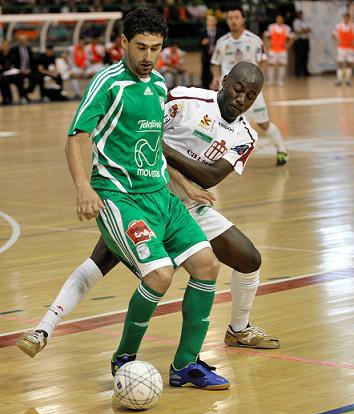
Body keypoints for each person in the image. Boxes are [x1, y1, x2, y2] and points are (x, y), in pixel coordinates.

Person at [17, 8, 229, 391]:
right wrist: (84, 187)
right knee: (160, 274)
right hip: (120, 198)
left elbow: (153, 144)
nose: (149, 56)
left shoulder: (160, 85)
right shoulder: (108, 83)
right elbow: (76, 137)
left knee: (207, 265)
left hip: (161, 197)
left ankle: (185, 366)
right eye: (142, 47)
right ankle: (125, 356)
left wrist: (181, 183)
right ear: (123, 44)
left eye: (156, 48)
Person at [17, 62, 280, 366]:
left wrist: (165, 151)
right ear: (224, 81)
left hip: (191, 206)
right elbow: (141, 132)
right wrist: (166, 163)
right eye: (238, 89)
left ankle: (238, 329)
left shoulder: (246, 135)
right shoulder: (184, 100)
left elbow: (209, 178)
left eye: (251, 95)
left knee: (249, 259)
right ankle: (43, 329)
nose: (242, 99)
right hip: (145, 194)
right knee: (100, 261)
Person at [210, 7, 288, 166]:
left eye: (236, 17)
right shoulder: (222, 42)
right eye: (230, 17)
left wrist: (259, 80)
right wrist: (216, 77)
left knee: (263, 123)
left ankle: (281, 150)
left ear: (243, 19)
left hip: (251, 93)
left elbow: (263, 61)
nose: (233, 20)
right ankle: (213, 156)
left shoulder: (254, 40)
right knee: (220, 122)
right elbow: (215, 63)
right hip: (229, 92)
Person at [263, 15, 294, 86]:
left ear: (282, 19)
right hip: (273, 49)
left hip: (282, 50)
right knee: (271, 65)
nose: (279, 19)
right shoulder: (271, 27)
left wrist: (288, 45)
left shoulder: (286, 28)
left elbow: (292, 37)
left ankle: (280, 81)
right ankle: (270, 81)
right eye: (278, 18)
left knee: (282, 65)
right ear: (276, 19)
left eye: (280, 18)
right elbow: (266, 36)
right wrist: (267, 45)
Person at [9, 34, 36, 102]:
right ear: (18, 41)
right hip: (18, 71)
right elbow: (13, 62)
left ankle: (25, 93)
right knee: (19, 79)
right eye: (21, 40)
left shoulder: (29, 49)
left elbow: (33, 61)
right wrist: (20, 70)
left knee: (37, 78)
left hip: (28, 70)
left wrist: (30, 69)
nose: (23, 42)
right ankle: (23, 97)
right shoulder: (14, 50)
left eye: (24, 40)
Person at [0, 39, 28, 104]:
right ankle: (7, 98)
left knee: (19, 79)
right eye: (4, 45)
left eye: (7, 45)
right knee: (4, 80)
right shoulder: (0, 54)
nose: (6, 47)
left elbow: (16, 64)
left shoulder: (13, 53)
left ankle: (23, 97)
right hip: (4, 73)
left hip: (14, 73)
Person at [200, 15, 224, 89]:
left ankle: (220, 86)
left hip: (216, 54)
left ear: (216, 21)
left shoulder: (220, 31)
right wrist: (202, 42)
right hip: (206, 54)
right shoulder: (202, 31)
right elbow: (199, 42)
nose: (211, 22)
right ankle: (205, 87)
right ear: (207, 22)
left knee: (218, 70)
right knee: (205, 71)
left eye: (213, 20)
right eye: (209, 20)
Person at [332, 13, 354, 86]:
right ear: (343, 18)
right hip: (341, 48)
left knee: (349, 64)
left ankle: (348, 79)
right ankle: (339, 79)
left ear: (349, 18)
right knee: (340, 63)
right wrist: (337, 39)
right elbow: (333, 34)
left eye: (347, 17)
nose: (346, 19)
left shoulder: (353, 26)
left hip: (350, 48)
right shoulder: (338, 26)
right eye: (344, 17)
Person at [292, 10, 311, 77]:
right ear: (298, 15)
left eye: (302, 14)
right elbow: (298, 31)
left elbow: (309, 29)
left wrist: (304, 30)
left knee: (305, 57)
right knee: (299, 57)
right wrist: (305, 30)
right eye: (301, 14)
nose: (302, 16)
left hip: (305, 40)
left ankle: (305, 71)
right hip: (299, 41)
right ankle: (298, 72)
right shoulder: (296, 22)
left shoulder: (304, 22)